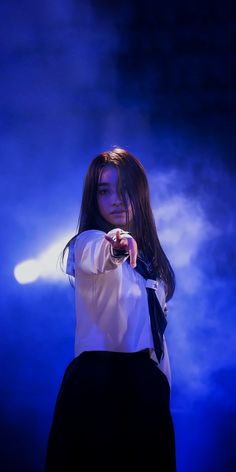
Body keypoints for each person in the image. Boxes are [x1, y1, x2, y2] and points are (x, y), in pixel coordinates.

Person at [45, 147, 176, 471]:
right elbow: (98, 253)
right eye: (104, 191)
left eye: (124, 188)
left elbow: (157, 342)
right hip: (100, 385)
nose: (115, 199)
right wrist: (116, 244)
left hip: (146, 387)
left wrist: (161, 389)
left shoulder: (152, 266)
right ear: (94, 198)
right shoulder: (88, 242)